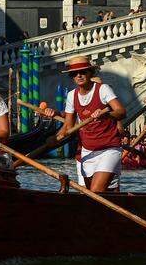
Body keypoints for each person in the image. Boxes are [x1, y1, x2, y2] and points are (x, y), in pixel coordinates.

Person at [48, 55, 126, 192]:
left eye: (83, 72)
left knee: (96, 191)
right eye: (74, 73)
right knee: (90, 194)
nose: (79, 75)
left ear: (90, 72)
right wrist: (55, 139)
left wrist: (106, 114)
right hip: (87, 151)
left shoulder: (103, 89)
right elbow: (68, 126)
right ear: (71, 76)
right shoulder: (72, 95)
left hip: (109, 149)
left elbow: (121, 111)